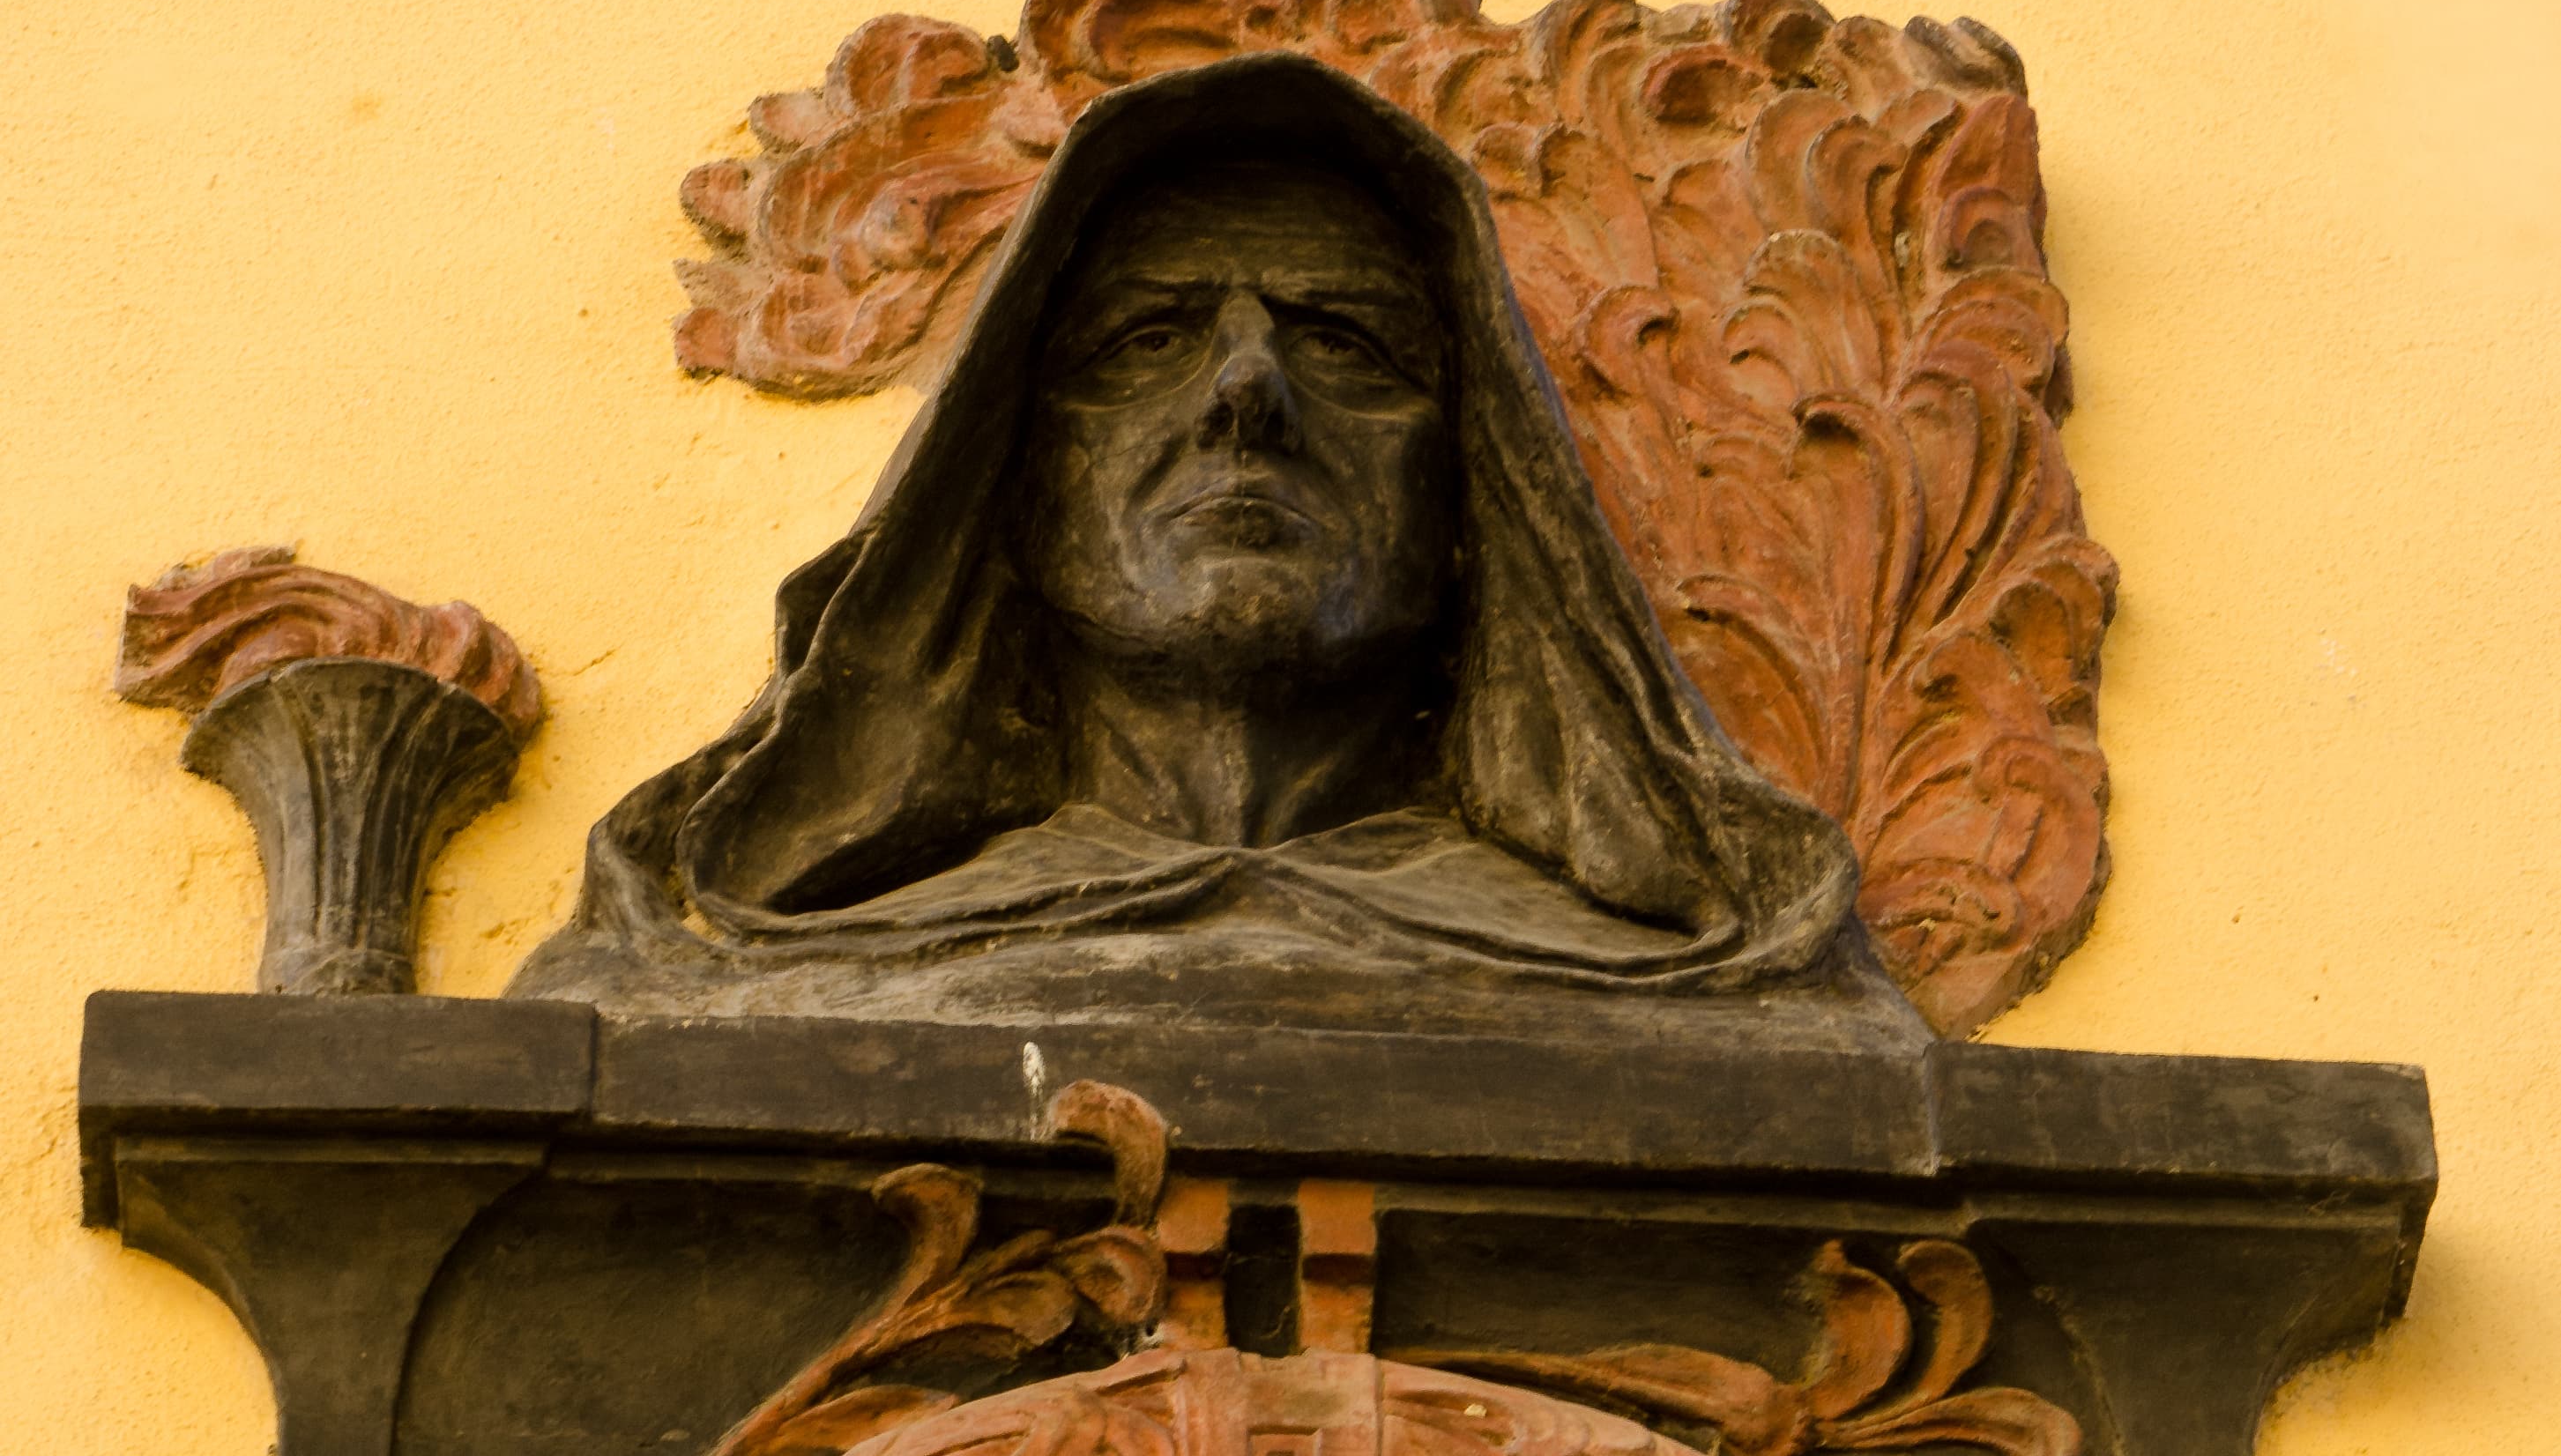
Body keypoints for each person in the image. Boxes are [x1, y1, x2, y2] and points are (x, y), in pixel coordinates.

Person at [516, 55, 1880, 1028]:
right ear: (1013, 484)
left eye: (1343, 343)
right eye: (1144, 341)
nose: (1244, 391)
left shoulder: (1698, 985)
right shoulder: (749, 975)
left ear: (1476, 497)